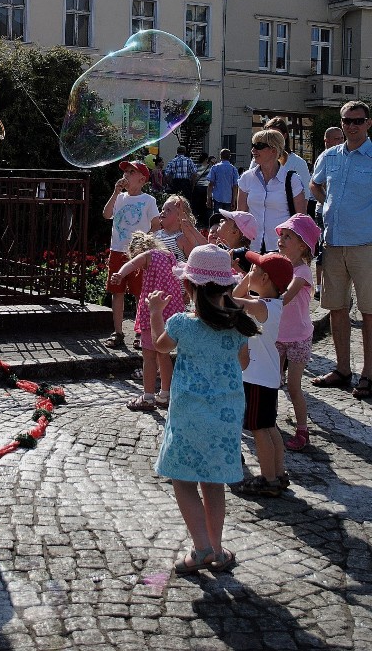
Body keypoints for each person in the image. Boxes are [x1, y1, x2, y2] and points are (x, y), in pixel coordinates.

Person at [148, 245, 259, 574]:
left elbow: (160, 347)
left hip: (187, 416)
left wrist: (156, 312)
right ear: (226, 286)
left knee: (183, 480)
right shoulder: (239, 324)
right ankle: (218, 550)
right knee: (213, 483)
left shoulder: (182, 323)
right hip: (225, 419)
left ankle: (201, 548)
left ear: (189, 286)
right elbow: (243, 364)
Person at [310, 100, 372, 399]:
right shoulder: (329, 155)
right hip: (333, 242)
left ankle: (369, 374)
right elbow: (315, 185)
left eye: (358, 121)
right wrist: (327, 204)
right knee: (337, 309)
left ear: (368, 123)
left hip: (366, 244)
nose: (351, 125)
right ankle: (343, 368)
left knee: (370, 312)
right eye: (347, 120)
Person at [232, 251, 294, 497]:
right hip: (267, 376)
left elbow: (233, 301)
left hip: (256, 377)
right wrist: (248, 278)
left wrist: (242, 280)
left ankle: (268, 479)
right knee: (269, 427)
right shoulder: (272, 304)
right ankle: (278, 474)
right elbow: (239, 298)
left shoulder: (259, 306)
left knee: (259, 429)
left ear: (266, 278)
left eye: (255, 269)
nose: (250, 271)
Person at [110, 231, 184, 412]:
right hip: (171, 307)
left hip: (153, 308)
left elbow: (131, 264)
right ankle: (166, 394)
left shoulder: (147, 255)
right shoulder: (169, 256)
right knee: (164, 354)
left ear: (138, 249)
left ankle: (148, 396)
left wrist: (119, 274)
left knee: (149, 356)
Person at [275, 214, 321, 451]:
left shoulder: (302, 272)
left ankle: (303, 430)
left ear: (302, 245)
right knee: (271, 381)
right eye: (281, 235)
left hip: (299, 337)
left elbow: (284, 298)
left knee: (293, 386)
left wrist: (261, 300)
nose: (281, 240)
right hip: (278, 335)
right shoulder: (279, 264)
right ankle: (267, 422)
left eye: (288, 236)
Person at [102, 160, 160, 349]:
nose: (126, 175)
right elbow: (106, 214)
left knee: (139, 293)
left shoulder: (148, 200)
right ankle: (118, 332)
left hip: (137, 254)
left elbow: (156, 225)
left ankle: (139, 332)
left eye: (131, 172)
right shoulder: (120, 197)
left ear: (142, 179)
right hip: (118, 250)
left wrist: (145, 244)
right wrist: (115, 192)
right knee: (116, 292)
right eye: (125, 171)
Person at [237, 129, 306, 252]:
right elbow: (241, 215)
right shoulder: (246, 178)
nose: (253, 150)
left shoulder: (292, 180)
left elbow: (300, 219)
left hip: (282, 248)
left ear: (273, 151)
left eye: (258, 146)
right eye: (252, 146)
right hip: (252, 247)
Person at [314, 126, 345, 301]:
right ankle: (320, 286)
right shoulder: (324, 158)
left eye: (341, 138)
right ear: (327, 140)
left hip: (339, 212)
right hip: (323, 211)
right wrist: (327, 203)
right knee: (324, 248)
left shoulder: (342, 156)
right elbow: (315, 185)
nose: (340, 141)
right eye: (336, 138)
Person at [260, 117, 312, 203]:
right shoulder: (258, 161)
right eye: (268, 136)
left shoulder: (298, 163)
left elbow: (305, 195)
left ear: (284, 136)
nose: (271, 140)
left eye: (276, 135)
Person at [155, 195, 206, 263]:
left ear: (179, 217)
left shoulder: (182, 238)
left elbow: (193, 263)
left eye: (168, 210)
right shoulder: (155, 234)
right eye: (163, 209)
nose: (163, 212)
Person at [207, 149, 239, 213]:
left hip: (217, 197)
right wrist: (234, 200)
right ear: (229, 157)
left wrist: (208, 198)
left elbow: (211, 184)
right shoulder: (233, 169)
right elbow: (235, 186)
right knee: (226, 219)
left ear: (220, 156)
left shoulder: (215, 167)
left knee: (216, 219)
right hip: (229, 198)